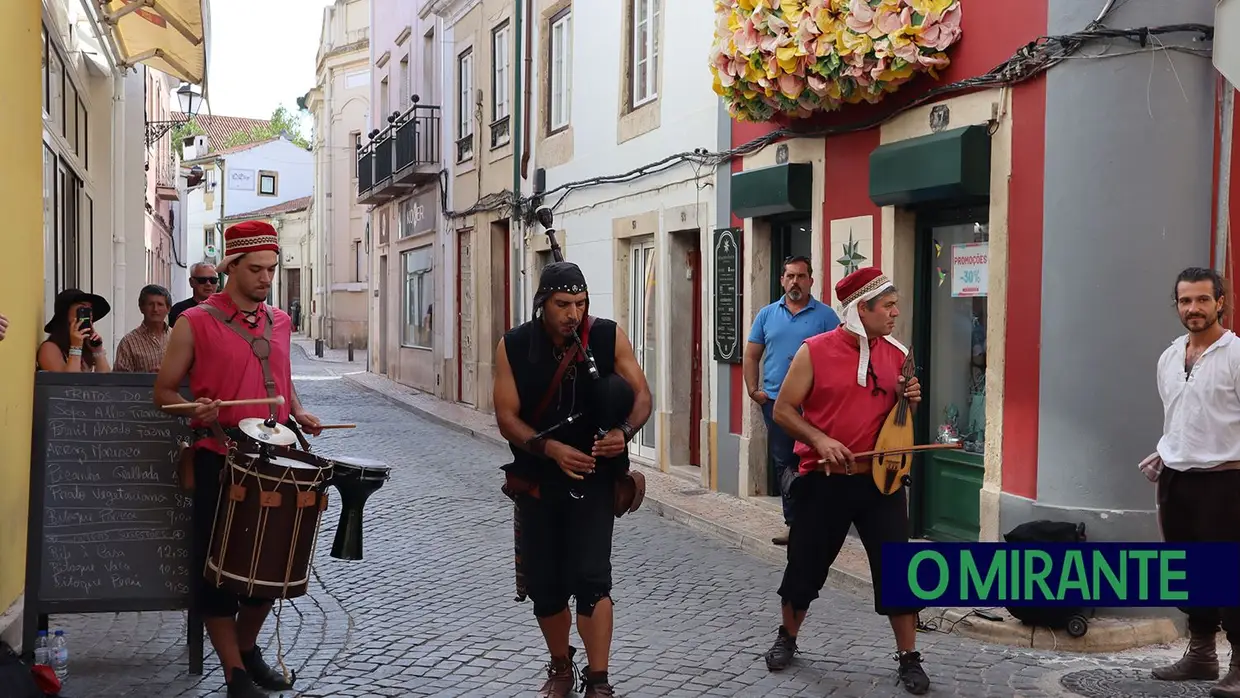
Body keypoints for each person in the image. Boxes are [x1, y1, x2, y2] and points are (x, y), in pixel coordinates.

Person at [154, 221, 323, 698]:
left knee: (274, 569)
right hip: (220, 458)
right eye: (256, 269)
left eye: (272, 268)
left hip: (278, 459)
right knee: (219, 570)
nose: (267, 278)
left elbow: (280, 380)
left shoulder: (281, 322)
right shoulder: (195, 322)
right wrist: (195, 408)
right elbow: (163, 393)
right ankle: (235, 676)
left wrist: (299, 410)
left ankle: (246, 651)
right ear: (230, 266)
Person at [762, 266, 930, 695]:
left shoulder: (898, 352)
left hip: (881, 484)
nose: (895, 313)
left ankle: (909, 658)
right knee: (804, 564)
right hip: (825, 480)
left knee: (898, 571)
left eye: (896, 306)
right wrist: (820, 439)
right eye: (888, 306)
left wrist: (909, 403)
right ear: (861, 310)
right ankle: (788, 637)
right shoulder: (813, 351)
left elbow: (901, 424)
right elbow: (783, 411)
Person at [493, 261, 652, 698]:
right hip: (538, 479)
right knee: (544, 584)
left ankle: (599, 681)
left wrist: (624, 433)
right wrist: (549, 449)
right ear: (542, 303)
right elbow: (506, 417)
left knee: (592, 578)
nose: (573, 314)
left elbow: (642, 395)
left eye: (580, 304)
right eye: (563, 304)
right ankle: (562, 666)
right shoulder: (514, 345)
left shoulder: (606, 335)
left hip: (596, 477)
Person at [1145, 267, 1240, 697]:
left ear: (1220, 301)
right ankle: (1201, 654)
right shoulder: (1169, 357)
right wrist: (1167, 455)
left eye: (1203, 300)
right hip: (1177, 480)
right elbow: (1179, 417)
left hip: (1227, 482)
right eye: (1186, 301)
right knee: (1188, 573)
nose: (1194, 309)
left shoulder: (1236, 355)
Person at [744, 255, 839, 545]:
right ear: (782, 280)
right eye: (790, 276)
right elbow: (751, 354)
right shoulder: (767, 315)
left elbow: (839, 357)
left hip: (814, 404)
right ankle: (794, 523)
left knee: (815, 461)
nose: (795, 282)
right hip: (775, 402)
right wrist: (753, 390)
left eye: (801, 276)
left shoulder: (826, 317)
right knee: (785, 463)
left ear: (811, 280)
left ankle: (820, 521)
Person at [37, 289, 112, 373]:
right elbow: (70, 382)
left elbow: (105, 381)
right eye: (82, 309)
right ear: (65, 312)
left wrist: (97, 351)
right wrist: (76, 348)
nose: (88, 314)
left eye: (90, 310)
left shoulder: (85, 347)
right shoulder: (49, 348)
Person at [114, 284, 172, 373]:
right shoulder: (128, 342)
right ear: (141, 308)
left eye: (160, 304)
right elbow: (120, 381)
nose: (155, 309)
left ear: (168, 309)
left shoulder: (178, 337)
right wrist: (145, 378)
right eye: (150, 304)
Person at [169, 261, 220, 327]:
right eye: (202, 280)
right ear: (191, 282)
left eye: (213, 280)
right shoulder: (178, 310)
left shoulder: (225, 310)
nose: (208, 284)